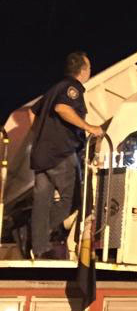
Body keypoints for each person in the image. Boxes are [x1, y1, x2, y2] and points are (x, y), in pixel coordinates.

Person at [28, 51, 103, 257]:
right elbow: (62, 108)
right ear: (83, 70)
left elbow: (32, 113)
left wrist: (42, 136)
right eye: (89, 67)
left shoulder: (53, 89)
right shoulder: (73, 89)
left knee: (42, 203)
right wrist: (90, 127)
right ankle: (35, 233)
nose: (90, 70)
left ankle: (39, 246)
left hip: (41, 155)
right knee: (73, 200)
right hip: (60, 154)